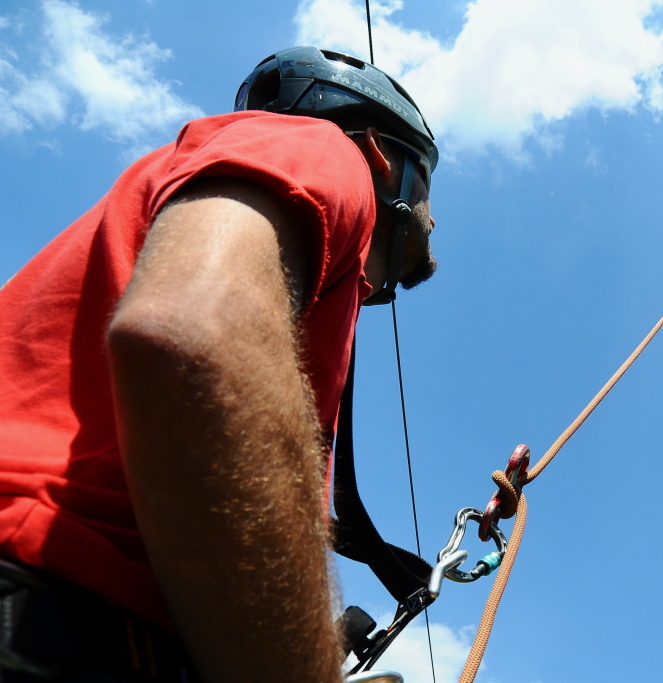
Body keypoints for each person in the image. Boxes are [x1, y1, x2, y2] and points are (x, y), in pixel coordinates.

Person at [0, 46, 438, 682]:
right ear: (381, 155)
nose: (433, 216)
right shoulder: (320, 149)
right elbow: (193, 341)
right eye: (426, 183)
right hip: (64, 605)